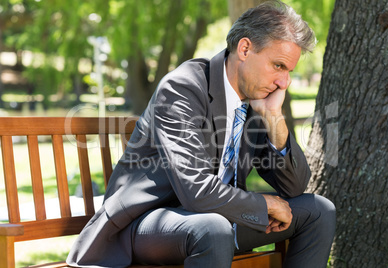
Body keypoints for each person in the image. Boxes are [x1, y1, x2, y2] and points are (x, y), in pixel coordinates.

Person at [67, 1, 336, 267]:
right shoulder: (183, 88)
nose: (284, 82)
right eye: (278, 66)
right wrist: (262, 205)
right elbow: (195, 190)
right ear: (245, 49)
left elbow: (294, 186)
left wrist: (274, 118)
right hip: (146, 223)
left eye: (289, 71)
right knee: (213, 228)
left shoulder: (258, 98)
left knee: (318, 211)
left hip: (216, 218)